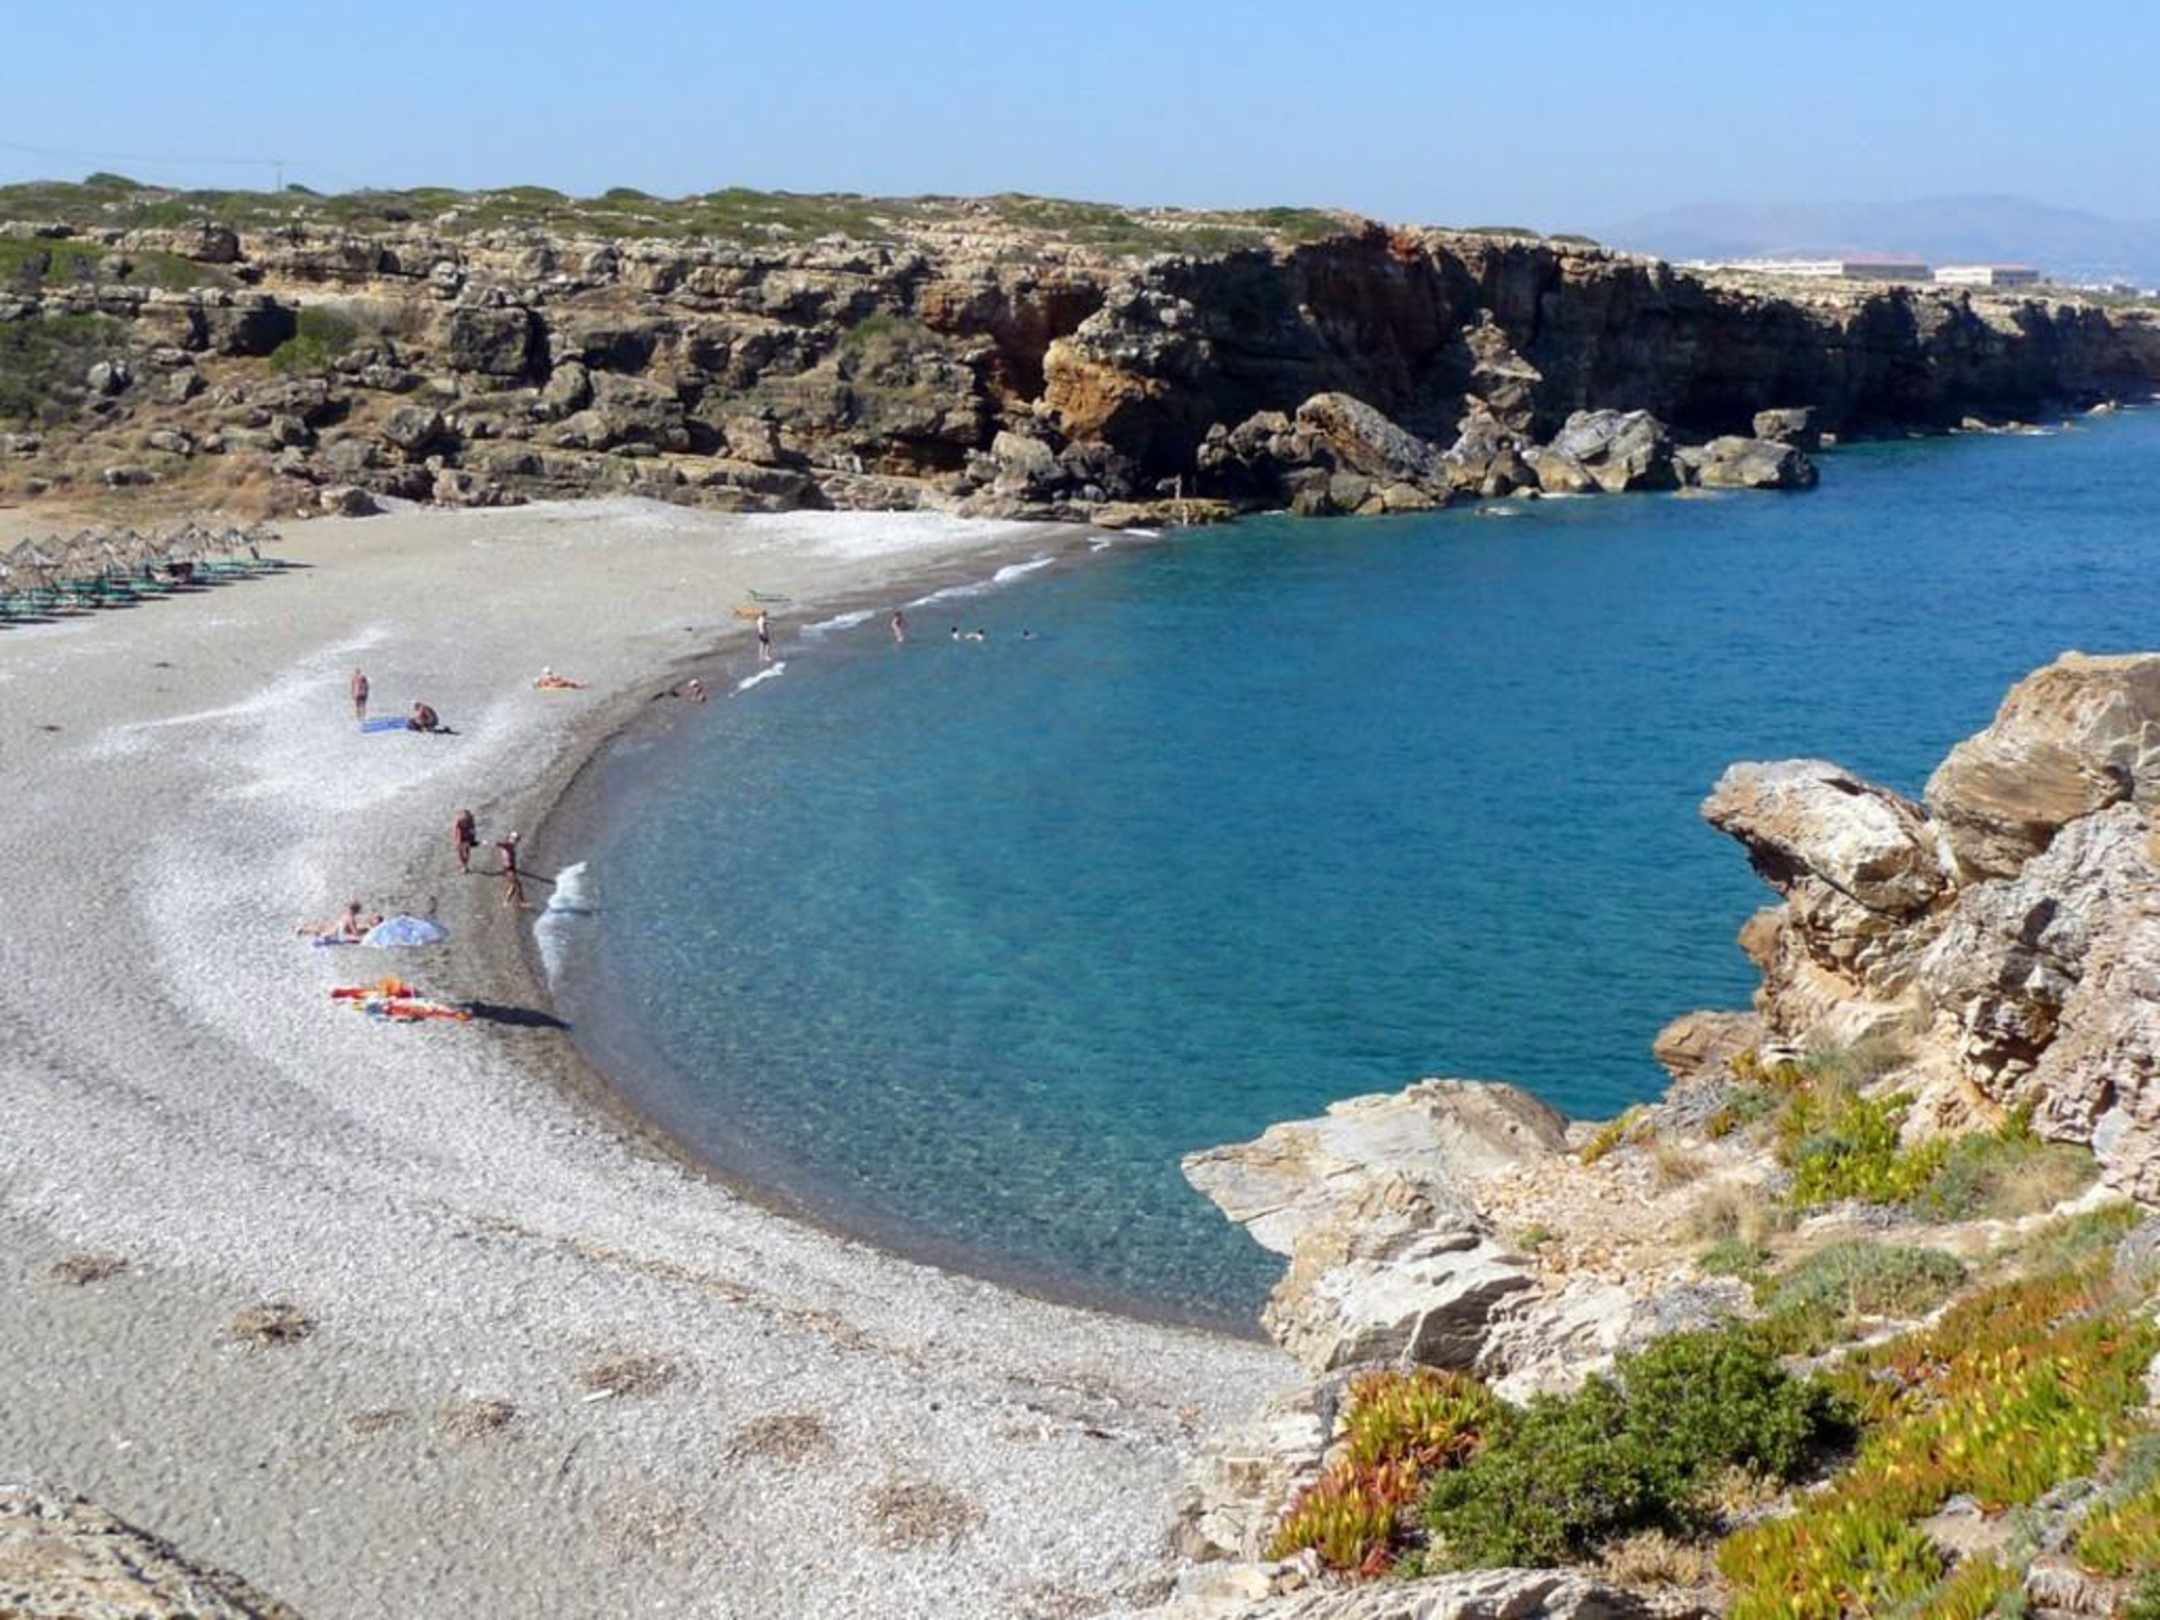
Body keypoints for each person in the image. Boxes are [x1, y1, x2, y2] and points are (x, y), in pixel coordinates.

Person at [296, 899, 381, 942]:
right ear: (357, 910)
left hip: (334, 930)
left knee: (320, 930)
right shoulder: (351, 918)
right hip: (334, 934)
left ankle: (303, 929)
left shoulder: (345, 915)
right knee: (321, 932)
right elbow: (355, 933)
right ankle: (303, 930)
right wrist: (364, 936)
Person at [497, 832, 526, 911]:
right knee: (515, 885)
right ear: (510, 838)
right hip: (509, 869)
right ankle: (514, 902)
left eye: (517, 840)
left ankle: (512, 901)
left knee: (516, 885)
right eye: (515, 839)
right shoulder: (508, 846)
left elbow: (500, 845)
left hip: (510, 869)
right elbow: (500, 845)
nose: (516, 841)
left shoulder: (510, 846)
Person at [453, 809, 478, 873]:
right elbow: (455, 831)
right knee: (460, 849)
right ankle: (463, 864)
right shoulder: (458, 821)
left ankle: (466, 864)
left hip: (468, 835)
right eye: (463, 822)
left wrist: (473, 839)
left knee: (467, 849)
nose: (465, 824)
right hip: (460, 834)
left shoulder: (471, 822)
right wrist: (455, 840)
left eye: (466, 822)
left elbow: (473, 831)